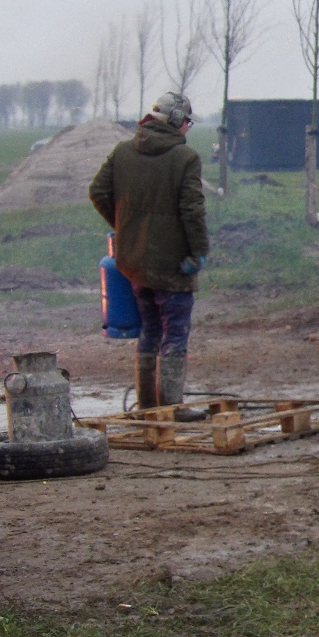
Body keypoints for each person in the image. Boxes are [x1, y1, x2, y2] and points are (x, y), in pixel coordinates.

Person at [89, 91, 210, 419]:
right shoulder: (185, 159)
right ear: (174, 121)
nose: (187, 128)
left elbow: (98, 191)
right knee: (174, 333)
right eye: (186, 122)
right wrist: (198, 251)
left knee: (150, 333)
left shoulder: (123, 151)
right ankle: (172, 408)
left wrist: (125, 227)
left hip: (134, 265)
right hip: (173, 266)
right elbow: (192, 210)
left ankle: (147, 407)